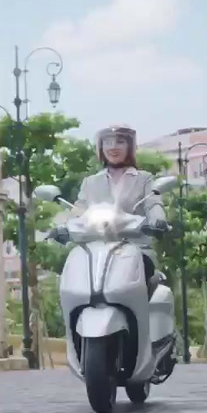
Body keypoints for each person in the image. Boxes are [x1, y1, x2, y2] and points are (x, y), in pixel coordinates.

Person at [75, 124, 170, 292]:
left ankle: (138, 316)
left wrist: (158, 219)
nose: (113, 147)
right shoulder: (90, 182)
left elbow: (154, 203)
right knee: (74, 276)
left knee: (139, 279)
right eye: (107, 143)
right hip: (97, 251)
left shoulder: (144, 179)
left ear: (129, 146)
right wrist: (62, 225)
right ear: (101, 147)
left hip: (135, 248)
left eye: (119, 142)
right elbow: (78, 210)